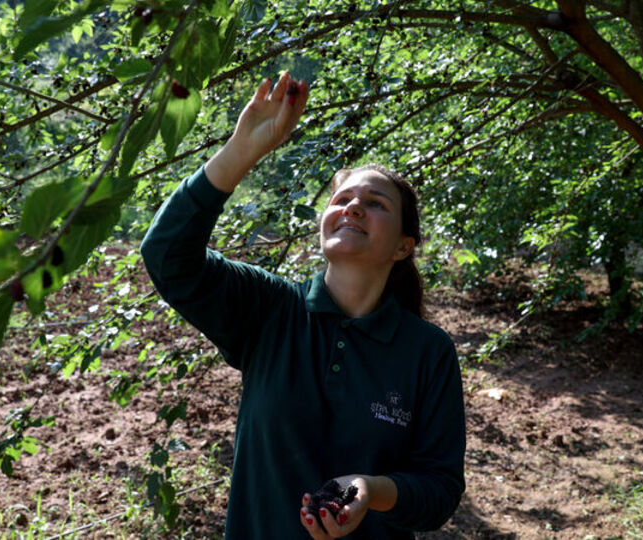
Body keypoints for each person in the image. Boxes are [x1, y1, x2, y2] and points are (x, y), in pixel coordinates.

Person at [140, 72, 465, 539]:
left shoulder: (427, 351)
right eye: (342, 198)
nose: (352, 208)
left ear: (402, 247)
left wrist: (372, 490)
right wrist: (243, 150)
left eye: (375, 204)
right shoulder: (271, 308)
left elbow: (439, 491)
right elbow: (167, 256)